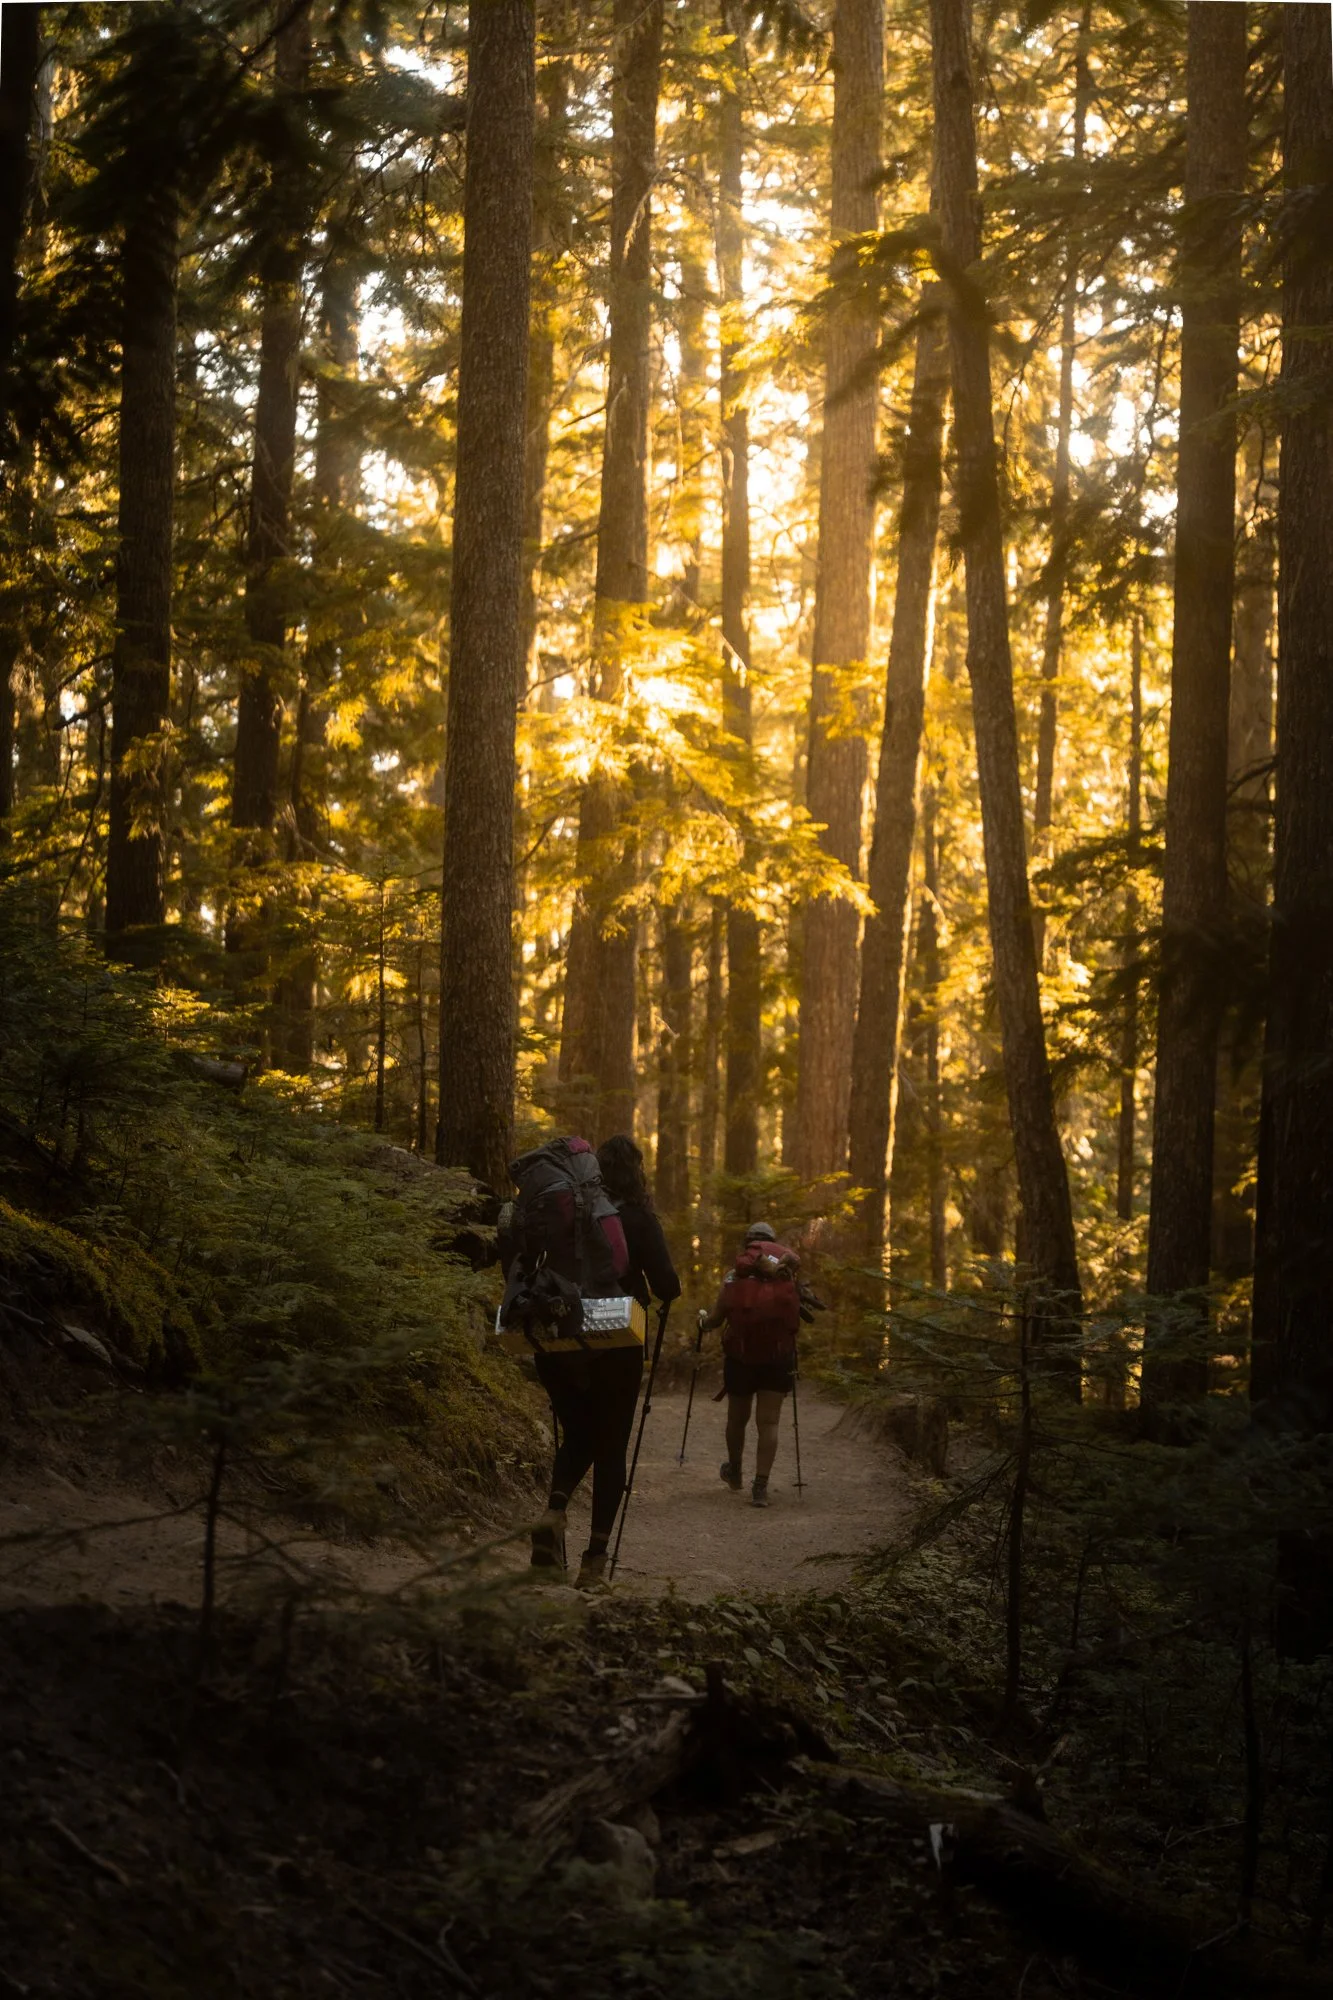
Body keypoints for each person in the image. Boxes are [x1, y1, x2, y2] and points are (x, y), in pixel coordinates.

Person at [700, 1221, 802, 1508]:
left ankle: (735, 1472)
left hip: (741, 1357)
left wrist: (702, 1321)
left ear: (748, 1246)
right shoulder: (787, 1276)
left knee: (737, 1419)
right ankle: (761, 1486)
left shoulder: (734, 1275)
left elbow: (716, 1318)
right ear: (773, 1244)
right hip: (778, 1357)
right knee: (769, 1422)